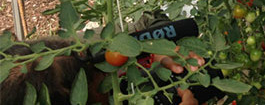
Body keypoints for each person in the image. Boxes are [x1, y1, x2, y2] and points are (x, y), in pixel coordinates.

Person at [1, 37, 203, 104]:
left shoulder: (79, 54)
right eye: (102, 86)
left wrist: (151, 48)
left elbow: (147, 24)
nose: (108, 73)